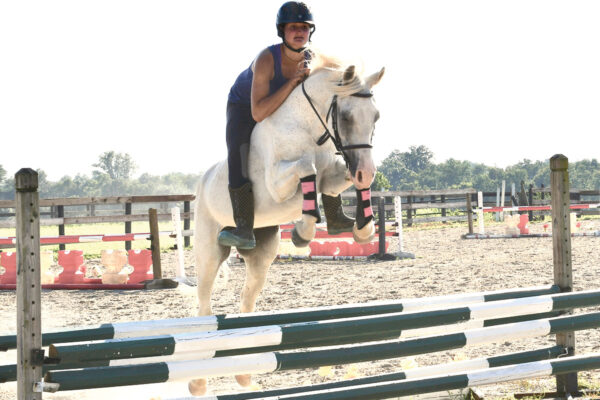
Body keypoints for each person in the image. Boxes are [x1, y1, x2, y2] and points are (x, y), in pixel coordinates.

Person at [218, 1, 354, 250]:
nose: (299, 32)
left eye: (304, 27)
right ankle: (244, 228)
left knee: (322, 138)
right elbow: (258, 113)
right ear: (282, 30)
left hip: (281, 105)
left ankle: (334, 214)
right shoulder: (267, 59)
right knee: (239, 153)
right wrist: (292, 81)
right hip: (244, 107)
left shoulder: (313, 56)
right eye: (293, 27)